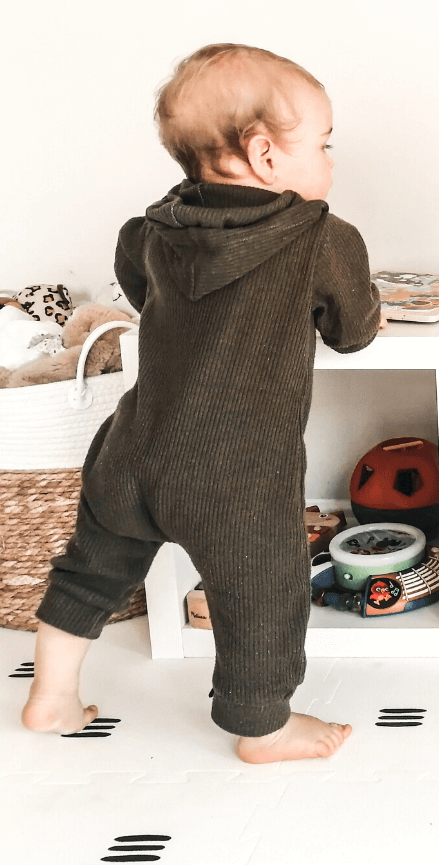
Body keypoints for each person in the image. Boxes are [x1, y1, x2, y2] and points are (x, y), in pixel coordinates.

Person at [22, 44, 381, 762]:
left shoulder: (150, 229)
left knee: (90, 568)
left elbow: (140, 290)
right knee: (260, 598)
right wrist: (367, 302)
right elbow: (352, 331)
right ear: (265, 155)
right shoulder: (322, 238)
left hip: (131, 447)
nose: (331, 159)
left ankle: (51, 696)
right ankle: (263, 728)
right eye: (323, 143)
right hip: (234, 475)